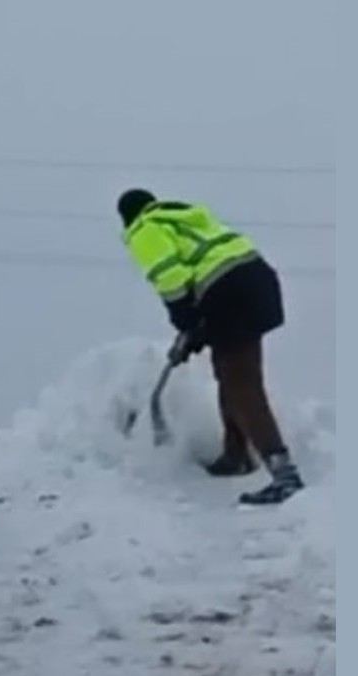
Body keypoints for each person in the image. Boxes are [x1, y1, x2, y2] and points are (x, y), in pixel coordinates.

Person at [116, 188, 305, 505]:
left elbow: (169, 276)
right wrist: (196, 327)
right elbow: (204, 272)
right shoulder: (184, 218)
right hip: (257, 281)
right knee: (231, 372)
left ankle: (284, 474)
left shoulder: (143, 228)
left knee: (241, 383)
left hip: (228, 291)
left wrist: (186, 319)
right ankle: (235, 455)